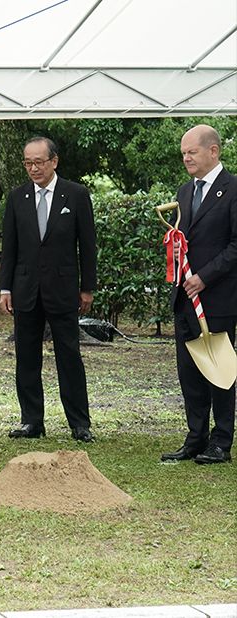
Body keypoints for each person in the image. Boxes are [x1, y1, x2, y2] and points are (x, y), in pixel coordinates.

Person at [0, 137, 97, 443]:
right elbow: (10, 248)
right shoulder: (17, 198)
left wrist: (88, 288)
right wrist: (5, 289)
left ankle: (80, 423)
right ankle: (31, 421)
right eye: (28, 162)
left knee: (69, 356)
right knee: (26, 358)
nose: (33, 168)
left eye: (39, 161)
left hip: (64, 289)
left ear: (54, 161)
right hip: (25, 289)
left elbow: (88, 246)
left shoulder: (76, 195)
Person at [160, 124, 236, 465]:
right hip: (185, 298)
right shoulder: (184, 191)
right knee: (189, 371)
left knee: (219, 370)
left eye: (192, 152)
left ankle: (221, 441)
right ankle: (196, 437)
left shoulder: (232, 189)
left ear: (213, 151)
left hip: (218, 298)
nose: (186, 158)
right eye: (183, 153)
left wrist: (205, 277)